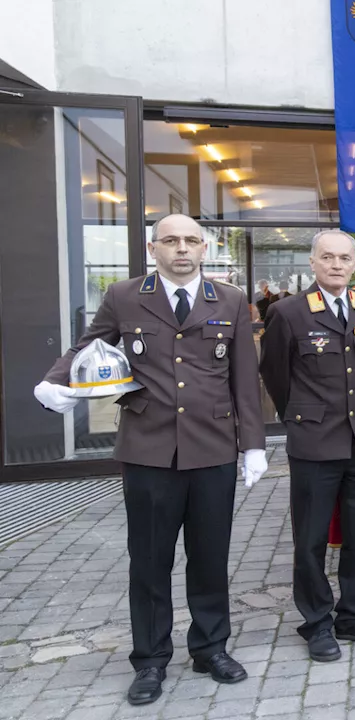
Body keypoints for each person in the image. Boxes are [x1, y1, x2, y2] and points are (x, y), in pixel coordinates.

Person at [33, 214, 266, 706]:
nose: (181, 249)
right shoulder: (124, 296)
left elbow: (245, 377)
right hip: (148, 451)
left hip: (212, 449)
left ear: (204, 248)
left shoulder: (229, 300)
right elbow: (88, 346)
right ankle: (151, 661)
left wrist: (254, 445)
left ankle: (209, 648)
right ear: (152, 247)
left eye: (190, 241)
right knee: (150, 562)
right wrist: (57, 380)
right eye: (170, 241)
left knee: (209, 558)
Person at [259, 231, 355, 660]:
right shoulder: (288, 312)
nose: (336, 265)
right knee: (311, 540)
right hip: (315, 443)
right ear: (312, 263)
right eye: (327, 257)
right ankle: (316, 622)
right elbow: (275, 375)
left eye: (345, 258)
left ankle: (353, 615)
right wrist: (299, 417)